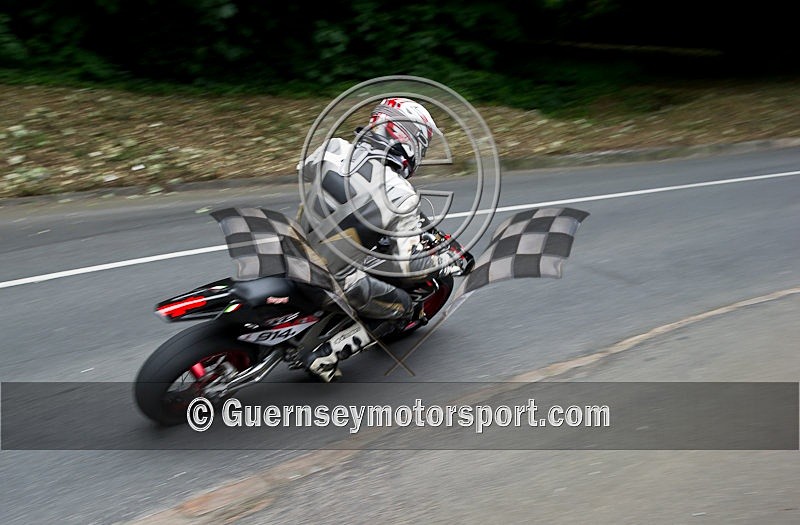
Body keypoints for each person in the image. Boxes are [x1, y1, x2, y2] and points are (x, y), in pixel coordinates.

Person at [295, 97, 471, 381]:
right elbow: (406, 263)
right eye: (422, 144)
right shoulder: (401, 193)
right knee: (402, 308)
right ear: (407, 139)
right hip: (330, 278)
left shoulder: (334, 148)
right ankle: (325, 355)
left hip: (292, 246)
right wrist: (442, 262)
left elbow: (305, 169)